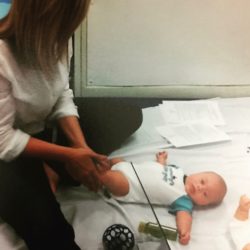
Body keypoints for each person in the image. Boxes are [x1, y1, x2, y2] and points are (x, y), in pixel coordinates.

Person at [0, 1, 142, 250]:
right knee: (52, 235)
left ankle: (50, 169)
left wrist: (81, 149)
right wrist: (70, 156)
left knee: (129, 116)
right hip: (7, 148)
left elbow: (62, 93)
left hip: (40, 128)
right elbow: (4, 139)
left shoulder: (60, 36)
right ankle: (42, 170)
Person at [100, 151, 227, 245]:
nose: (200, 187)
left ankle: (98, 174)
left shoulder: (184, 200)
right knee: (115, 159)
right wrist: (161, 160)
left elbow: (185, 216)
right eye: (202, 181)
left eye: (205, 194)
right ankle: (100, 166)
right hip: (129, 167)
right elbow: (161, 169)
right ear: (198, 173)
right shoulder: (178, 170)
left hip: (129, 185)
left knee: (108, 177)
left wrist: (185, 231)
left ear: (203, 204)